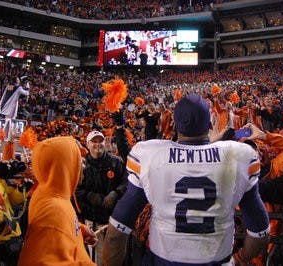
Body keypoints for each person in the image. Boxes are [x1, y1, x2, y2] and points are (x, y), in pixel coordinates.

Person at [104, 93, 270, 265]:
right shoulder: (238, 155)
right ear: (210, 124)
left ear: (175, 124)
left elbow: (116, 235)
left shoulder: (149, 154)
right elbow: (261, 233)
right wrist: (238, 260)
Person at [18, 136, 97, 265]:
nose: (83, 164)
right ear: (63, 165)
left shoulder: (48, 193)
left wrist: (80, 229)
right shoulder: (54, 209)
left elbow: (56, 230)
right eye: (77, 159)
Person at [75, 129, 128, 265]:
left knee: (114, 256)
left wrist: (116, 193)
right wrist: (94, 198)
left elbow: (127, 181)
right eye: (94, 142)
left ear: (105, 142)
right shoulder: (82, 164)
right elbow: (76, 189)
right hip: (92, 220)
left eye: (100, 141)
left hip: (113, 220)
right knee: (95, 257)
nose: (98, 144)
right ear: (87, 144)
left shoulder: (116, 162)